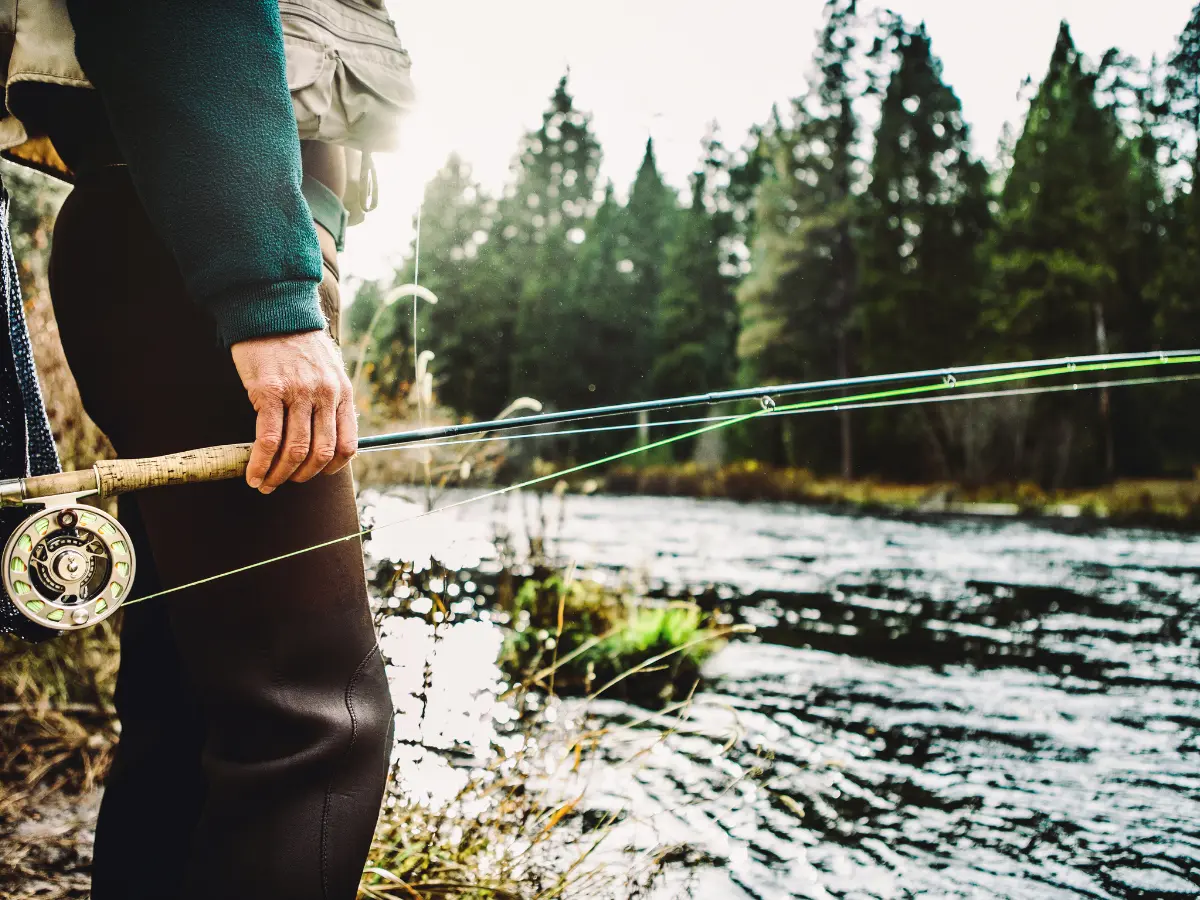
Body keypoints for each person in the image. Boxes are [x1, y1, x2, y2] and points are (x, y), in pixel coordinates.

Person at [0, 2, 396, 897]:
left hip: (184, 245)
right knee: (312, 730)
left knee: (189, 711)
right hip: (204, 260)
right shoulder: (245, 284)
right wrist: (269, 298)